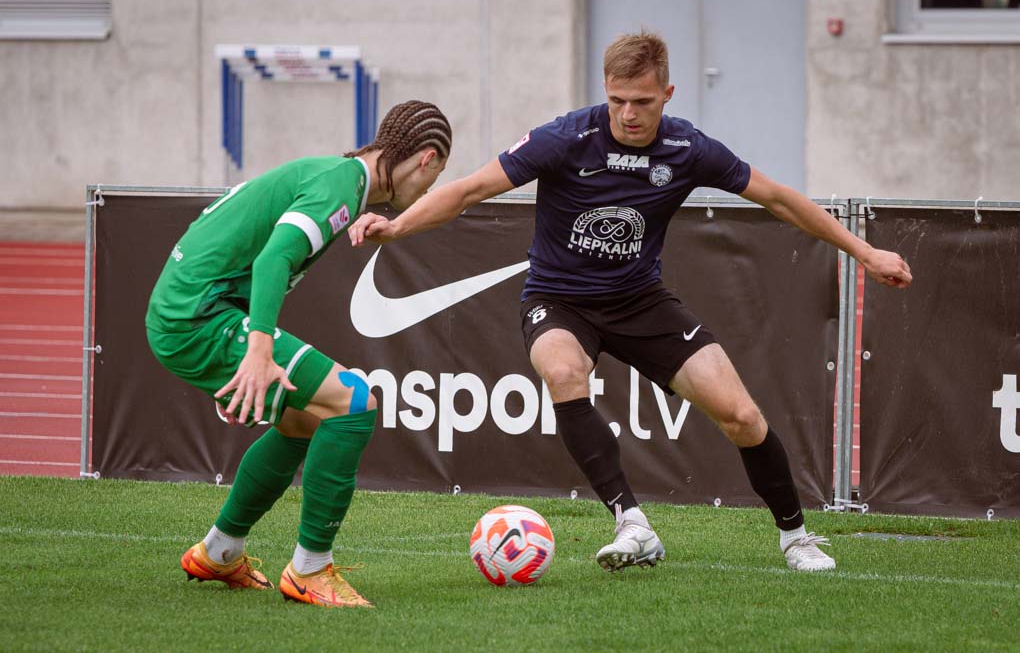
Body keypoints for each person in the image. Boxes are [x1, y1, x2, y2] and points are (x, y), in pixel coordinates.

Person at [349, 32, 912, 573]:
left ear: (667, 94)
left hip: (640, 301)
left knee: (742, 417)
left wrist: (865, 252)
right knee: (562, 371)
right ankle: (632, 523)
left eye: (642, 101)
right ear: (605, 90)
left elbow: (779, 199)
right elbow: (469, 189)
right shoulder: (565, 137)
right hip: (558, 299)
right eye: (617, 100)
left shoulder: (688, 149)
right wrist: (396, 227)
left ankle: (796, 537)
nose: (628, 114)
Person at [145, 100, 452, 607]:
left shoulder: (337, 178)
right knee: (355, 402)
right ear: (426, 159)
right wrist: (257, 352)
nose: (428, 190)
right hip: (197, 317)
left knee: (305, 421)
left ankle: (219, 552)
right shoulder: (339, 186)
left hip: (191, 312)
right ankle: (311, 569)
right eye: (434, 178)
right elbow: (274, 259)